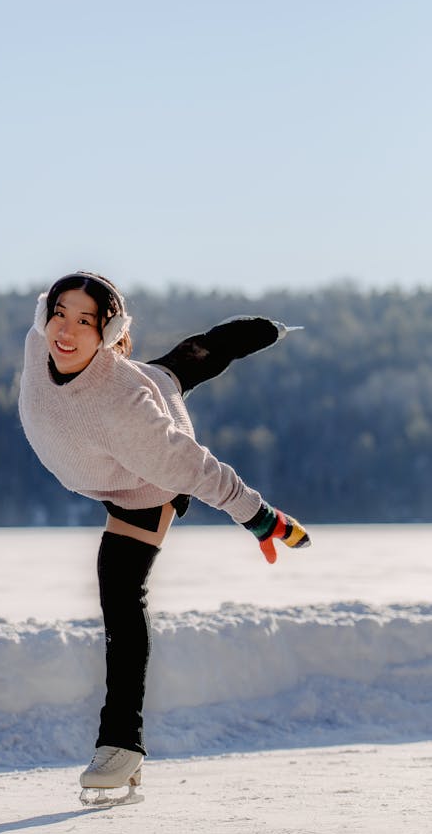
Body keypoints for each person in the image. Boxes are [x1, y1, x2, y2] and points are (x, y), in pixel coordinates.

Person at [17, 270, 310, 798]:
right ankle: (256, 331)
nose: (65, 330)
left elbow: (194, 468)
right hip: (112, 448)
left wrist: (260, 517)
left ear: (106, 333)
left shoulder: (128, 410)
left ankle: (121, 745)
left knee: (120, 589)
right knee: (179, 365)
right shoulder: (40, 343)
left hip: (143, 482)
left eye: (85, 321)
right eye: (59, 312)